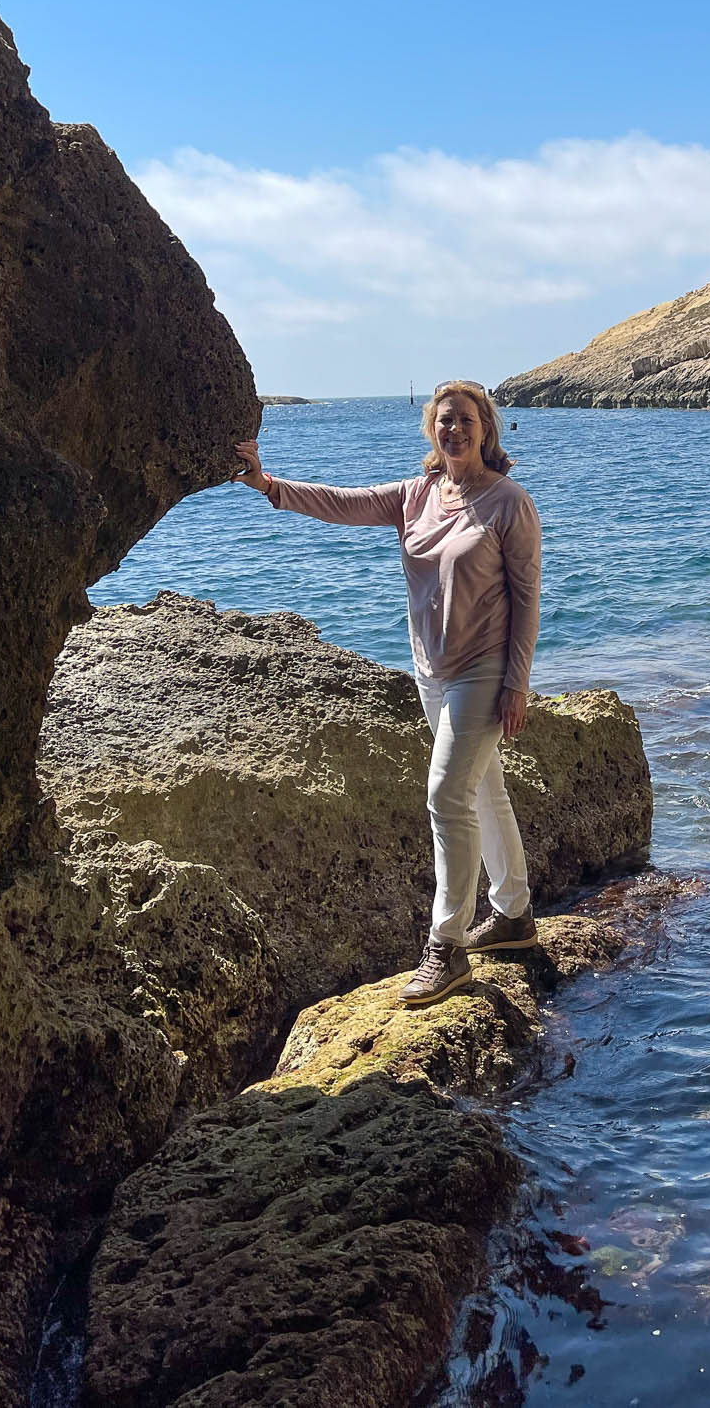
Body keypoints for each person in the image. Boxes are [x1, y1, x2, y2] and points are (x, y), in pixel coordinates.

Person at [232, 381, 541, 1008]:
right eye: (444, 421)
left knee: (446, 793)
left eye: (465, 420)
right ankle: (514, 915)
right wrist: (270, 486)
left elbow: (528, 599)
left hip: (483, 669)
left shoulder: (508, 503)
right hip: (433, 669)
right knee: (485, 789)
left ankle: (446, 947)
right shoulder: (416, 495)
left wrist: (516, 683)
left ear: (486, 429)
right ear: (432, 429)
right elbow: (343, 503)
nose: (454, 430)